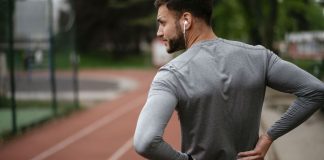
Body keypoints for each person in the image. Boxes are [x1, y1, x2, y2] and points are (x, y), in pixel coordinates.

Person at [133, 0, 324, 159]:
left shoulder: (172, 73)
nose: (159, 32)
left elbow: (145, 141)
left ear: (186, 20)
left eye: (162, 22)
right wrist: (268, 137)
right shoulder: (259, 57)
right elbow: (316, 91)